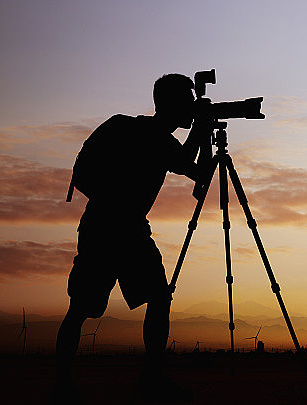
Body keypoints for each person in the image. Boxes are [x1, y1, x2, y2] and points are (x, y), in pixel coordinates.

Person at [53, 74, 205, 403]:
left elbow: (190, 167)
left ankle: (149, 380)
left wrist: (201, 130)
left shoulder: (156, 138)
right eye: (188, 102)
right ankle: (65, 384)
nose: (192, 108)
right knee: (83, 308)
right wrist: (201, 130)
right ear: (172, 104)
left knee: (155, 298)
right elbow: (188, 165)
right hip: (109, 228)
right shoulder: (144, 134)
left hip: (124, 229)